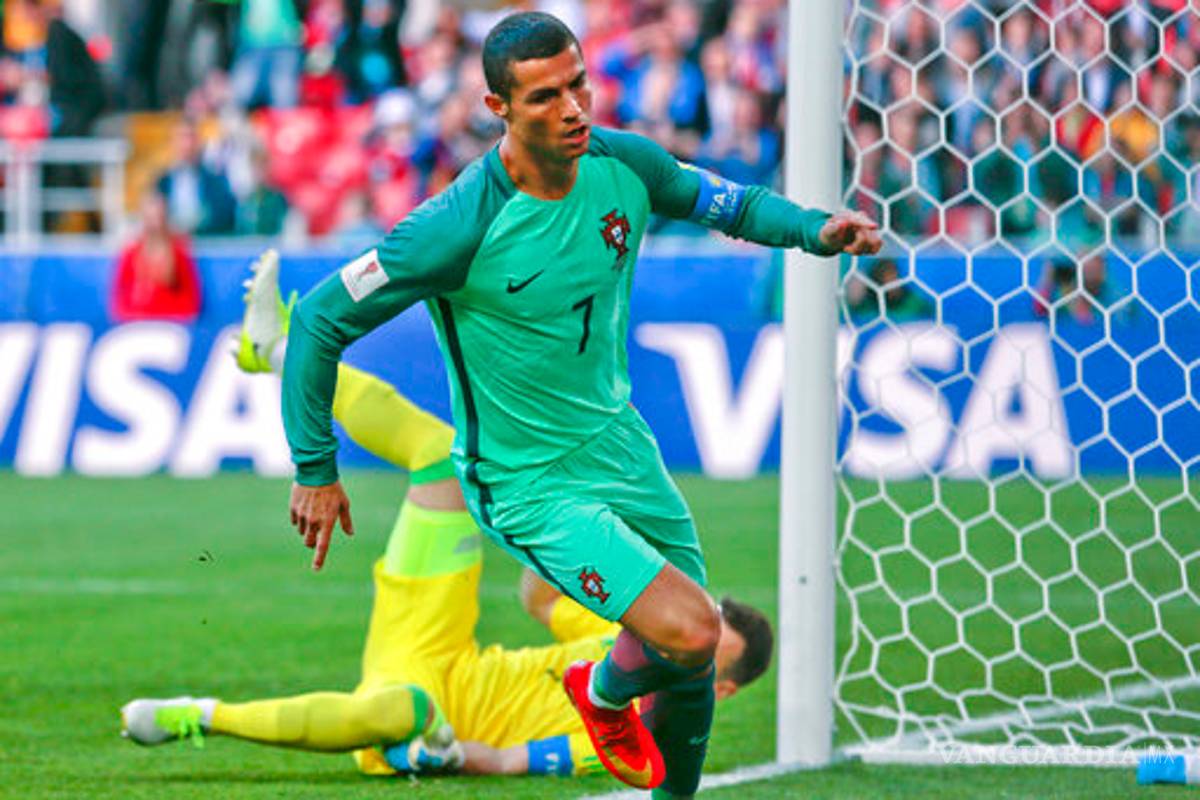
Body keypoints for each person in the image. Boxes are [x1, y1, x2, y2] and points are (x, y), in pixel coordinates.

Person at [279, 12, 880, 797]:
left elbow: (725, 203)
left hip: (620, 447)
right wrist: (314, 466)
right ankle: (597, 694)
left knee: (688, 662)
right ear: (499, 108)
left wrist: (813, 228)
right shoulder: (458, 224)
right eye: (543, 97)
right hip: (528, 479)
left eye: (578, 85)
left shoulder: (625, 163)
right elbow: (322, 317)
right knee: (693, 629)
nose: (572, 109)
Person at [120, 251, 775, 783]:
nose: (684, 628)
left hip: (426, 713)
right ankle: (279, 350)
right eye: (701, 616)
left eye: (706, 643)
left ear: (719, 692)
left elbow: (512, 760)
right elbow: (540, 595)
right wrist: (568, 529)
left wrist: (452, 754)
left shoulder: (636, 737)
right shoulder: (627, 641)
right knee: (439, 459)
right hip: (437, 644)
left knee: (400, 707)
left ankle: (198, 716)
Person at [110, 192, 203, 323]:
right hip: (137, 324)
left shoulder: (179, 251)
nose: (154, 223)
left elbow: (191, 298)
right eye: (150, 217)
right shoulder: (130, 252)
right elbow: (120, 296)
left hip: (171, 324)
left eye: (158, 217)